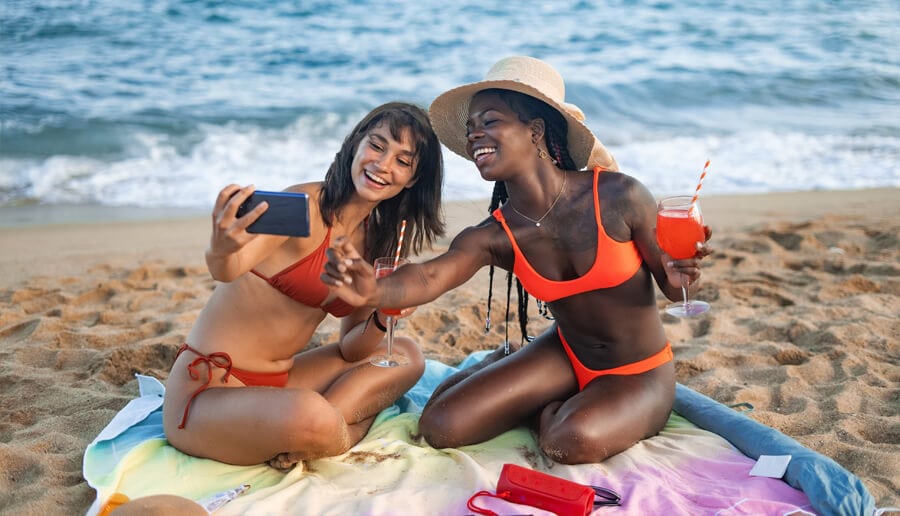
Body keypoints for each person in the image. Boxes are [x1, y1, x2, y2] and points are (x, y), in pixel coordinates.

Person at [322, 57, 711, 464]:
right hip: (564, 354)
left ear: (535, 131)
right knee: (440, 426)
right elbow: (431, 276)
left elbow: (674, 285)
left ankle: (548, 401)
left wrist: (685, 271)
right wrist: (375, 288)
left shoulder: (618, 196)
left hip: (639, 370)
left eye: (489, 122)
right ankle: (516, 369)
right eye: (471, 128)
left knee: (571, 441)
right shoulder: (496, 235)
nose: (475, 135)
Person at [161, 102, 445, 469]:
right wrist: (220, 246)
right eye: (377, 145)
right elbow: (228, 268)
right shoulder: (304, 209)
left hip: (281, 381)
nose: (383, 164)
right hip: (207, 393)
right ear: (356, 144)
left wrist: (382, 315)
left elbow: (352, 349)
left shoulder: (376, 243)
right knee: (311, 413)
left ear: (412, 180)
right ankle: (343, 432)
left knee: (406, 354)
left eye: (403, 161)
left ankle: (316, 433)